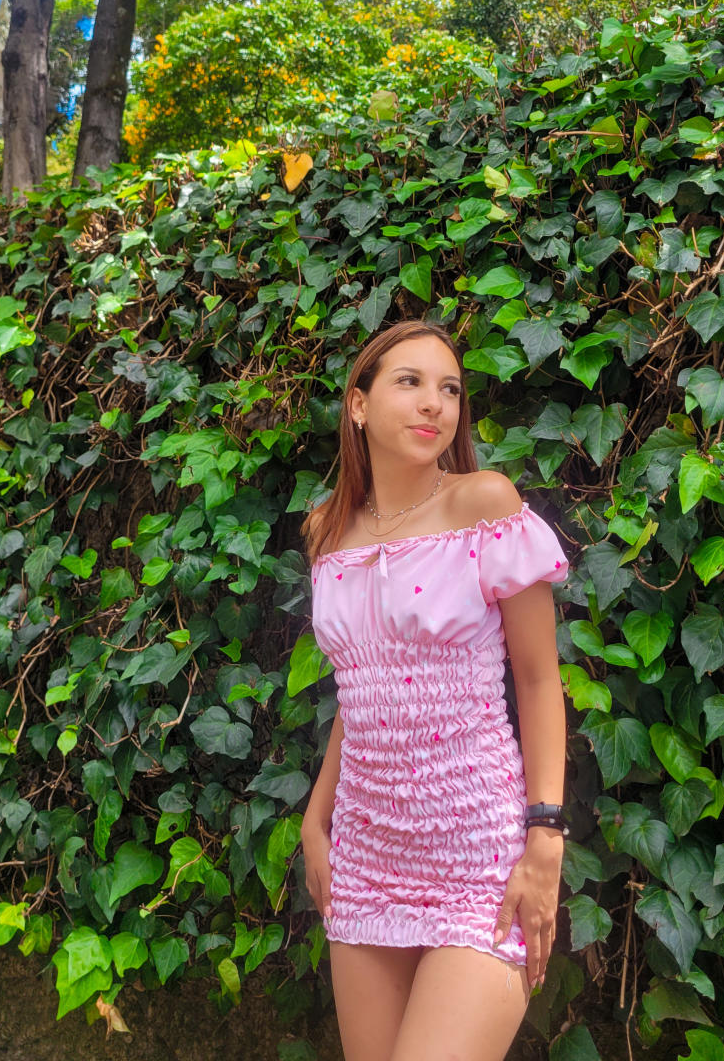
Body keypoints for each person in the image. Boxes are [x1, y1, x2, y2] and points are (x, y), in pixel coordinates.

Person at [298, 319, 572, 1061]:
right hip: (367, 851)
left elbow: (539, 680)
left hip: (478, 855)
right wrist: (316, 818)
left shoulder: (484, 505)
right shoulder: (327, 531)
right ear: (358, 405)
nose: (434, 404)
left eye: (449, 389)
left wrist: (544, 838)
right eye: (410, 382)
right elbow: (361, 689)